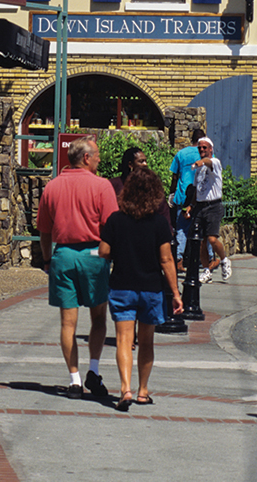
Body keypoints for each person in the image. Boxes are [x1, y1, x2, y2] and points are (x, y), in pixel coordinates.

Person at [36, 136, 118, 399]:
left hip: (64, 256)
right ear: (86, 158)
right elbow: (111, 227)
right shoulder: (102, 186)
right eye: (96, 155)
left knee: (67, 323)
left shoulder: (52, 187)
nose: (99, 159)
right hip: (94, 254)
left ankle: (74, 380)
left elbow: (44, 231)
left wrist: (48, 259)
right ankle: (93, 369)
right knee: (98, 318)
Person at [99, 168, 183, 410]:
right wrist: (175, 293)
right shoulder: (159, 223)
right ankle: (143, 391)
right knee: (146, 342)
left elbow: (104, 252)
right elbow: (167, 260)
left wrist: (119, 251)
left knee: (124, 340)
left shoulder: (116, 219)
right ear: (154, 193)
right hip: (151, 288)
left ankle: (125, 389)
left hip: (122, 286)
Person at [192, 137, 232, 283]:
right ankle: (206, 270)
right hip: (201, 206)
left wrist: (201, 162)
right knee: (202, 241)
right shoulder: (199, 170)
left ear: (210, 149)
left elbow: (208, 162)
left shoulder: (215, 162)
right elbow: (197, 189)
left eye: (204, 148)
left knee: (212, 239)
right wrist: (191, 205)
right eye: (200, 148)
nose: (202, 150)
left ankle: (224, 260)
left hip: (213, 206)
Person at [168, 128, 206, 271]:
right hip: (201, 197)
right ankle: (206, 259)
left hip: (183, 195)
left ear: (192, 139)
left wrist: (172, 194)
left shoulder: (181, 154)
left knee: (182, 229)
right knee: (203, 228)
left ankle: (179, 259)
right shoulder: (206, 154)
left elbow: (175, 177)